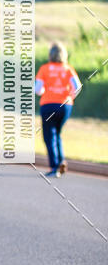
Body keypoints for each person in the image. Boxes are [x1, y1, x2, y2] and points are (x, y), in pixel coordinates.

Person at [35, 43, 81, 177]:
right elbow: (77, 86)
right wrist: (70, 96)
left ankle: (54, 167)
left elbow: (38, 89)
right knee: (57, 133)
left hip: (48, 105)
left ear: (50, 55)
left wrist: (44, 91)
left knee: (49, 136)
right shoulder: (68, 69)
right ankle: (61, 162)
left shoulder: (45, 68)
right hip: (66, 106)